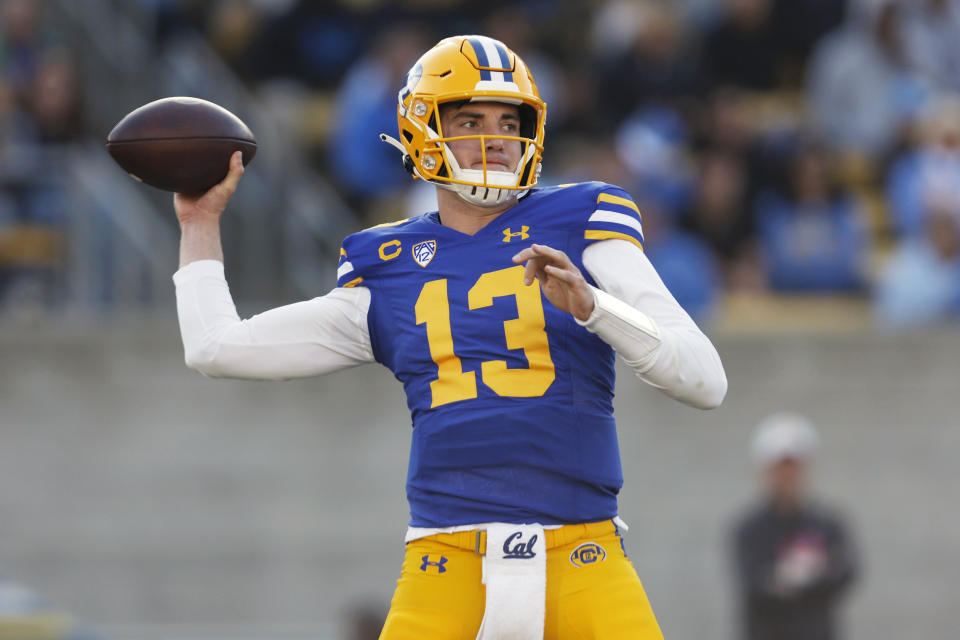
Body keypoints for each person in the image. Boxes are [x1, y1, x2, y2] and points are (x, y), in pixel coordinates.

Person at [172, 35, 727, 639]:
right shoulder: (385, 262)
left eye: (507, 120)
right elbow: (214, 347)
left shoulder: (583, 219)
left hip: (584, 554)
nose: (493, 137)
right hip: (446, 563)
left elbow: (706, 382)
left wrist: (596, 309)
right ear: (421, 128)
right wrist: (200, 223)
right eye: (469, 119)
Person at [730, 412, 858, 640]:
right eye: (780, 468)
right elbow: (755, 584)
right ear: (765, 471)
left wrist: (788, 580)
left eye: (793, 467)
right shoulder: (749, 530)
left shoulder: (828, 524)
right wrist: (813, 576)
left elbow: (847, 572)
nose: (787, 475)